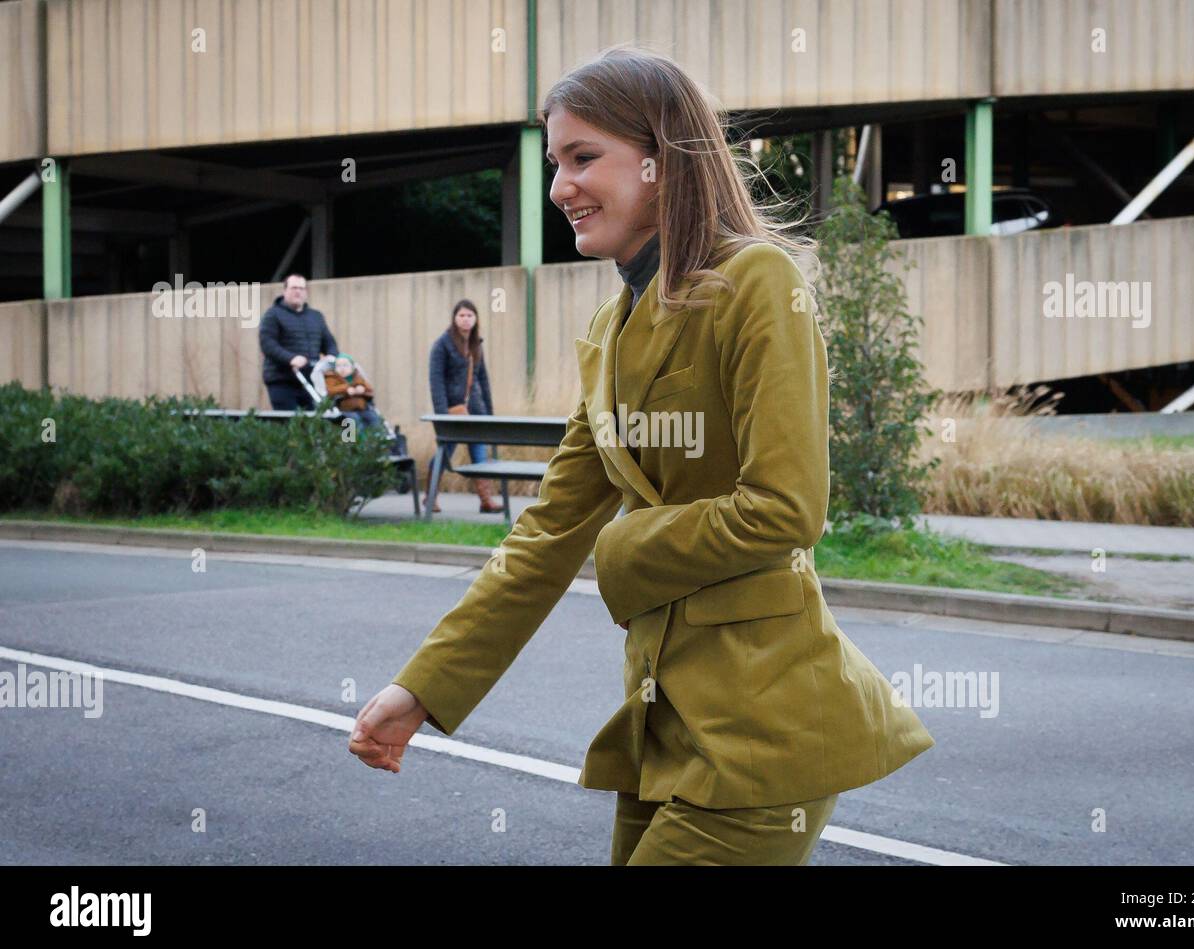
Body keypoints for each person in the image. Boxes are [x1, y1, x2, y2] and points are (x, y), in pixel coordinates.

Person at [349, 45, 934, 866]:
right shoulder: (607, 333)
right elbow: (547, 534)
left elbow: (787, 508)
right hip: (664, 729)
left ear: (661, 160)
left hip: (766, 732)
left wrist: (625, 547)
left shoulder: (757, 281)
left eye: (584, 157)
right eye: (556, 163)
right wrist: (423, 688)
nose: (560, 188)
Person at [424, 299, 504, 514]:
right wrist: (442, 414)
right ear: (454, 318)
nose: (466, 319)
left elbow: (483, 380)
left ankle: (486, 500)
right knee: (444, 453)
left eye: (470, 315)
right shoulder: (442, 344)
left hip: (476, 410)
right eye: (462, 315)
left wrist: (489, 412)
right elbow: (436, 381)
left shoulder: (476, 343)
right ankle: (430, 498)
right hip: (452, 411)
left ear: (475, 319)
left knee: (479, 455)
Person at [258, 274, 339, 411]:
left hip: (311, 380)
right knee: (290, 423)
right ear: (285, 291)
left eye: (301, 288)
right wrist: (291, 358)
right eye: (294, 288)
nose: (298, 291)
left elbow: (329, 342)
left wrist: (332, 357)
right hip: (282, 381)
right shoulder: (273, 315)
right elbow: (268, 344)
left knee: (316, 423)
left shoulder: (316, 317)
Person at [323, 354, 382, 433]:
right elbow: (330, 390)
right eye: (338, 366)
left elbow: (370, 390)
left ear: (352, 368)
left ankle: (376, 440)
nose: (342, 368)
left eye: (345, 365)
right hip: (342, 409)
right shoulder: (332, 378)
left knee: (373, 417)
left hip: (361, 408)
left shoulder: (358, 377)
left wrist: (363, 389)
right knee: (353, 420)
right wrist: (346, 389)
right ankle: (351, 442)